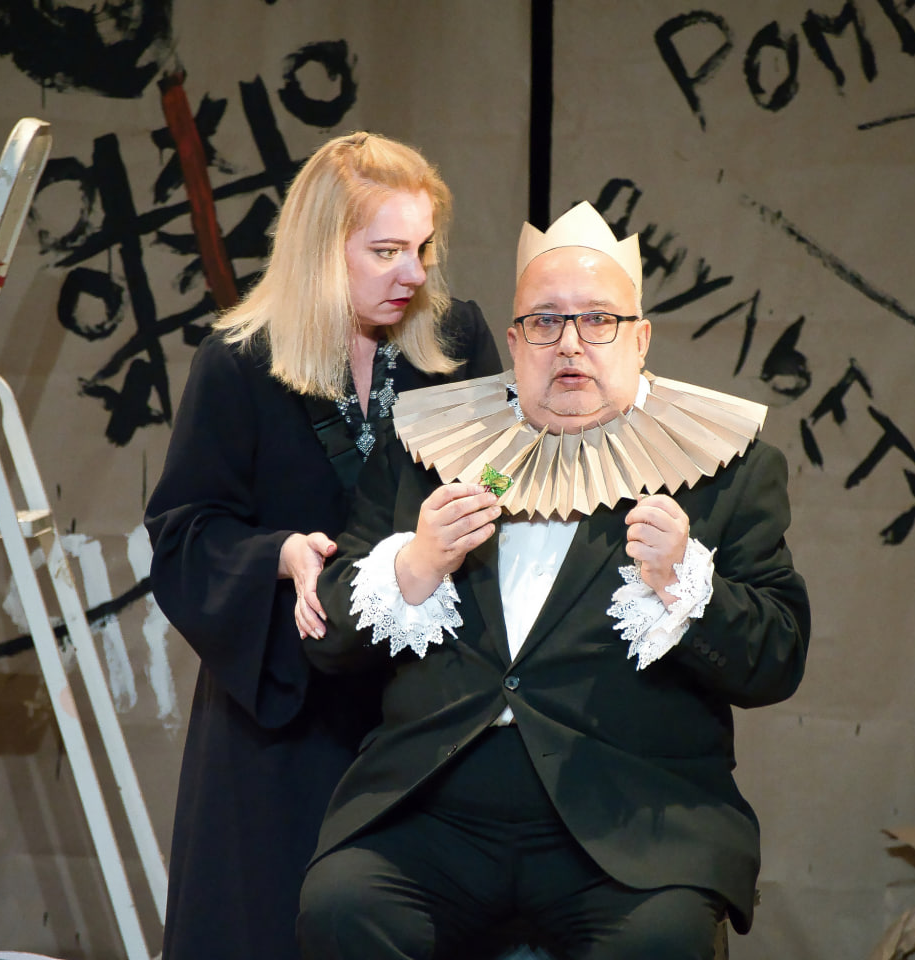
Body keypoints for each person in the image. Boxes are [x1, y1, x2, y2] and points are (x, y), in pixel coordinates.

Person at [298, 201, 811, 960]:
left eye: (598, 320)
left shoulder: (726, 468)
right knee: (342, 910)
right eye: (544, 322)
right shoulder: (426, 447)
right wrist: (415, 565)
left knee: (661, 944)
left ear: (640, 339)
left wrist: (684, 583)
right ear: (513, 343)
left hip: (632, 820)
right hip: (435, 815)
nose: (570, 343)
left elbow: (777, 659)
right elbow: (328, 640)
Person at [144, 132, 502, 960]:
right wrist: (278, 554)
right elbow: (184, 535)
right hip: (285, 711)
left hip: (422, 709)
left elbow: (503, 477)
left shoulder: (456, 345)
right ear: (320, 248)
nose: (412, 273)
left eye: (421, 248)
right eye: (385, 251)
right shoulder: (237, 365)